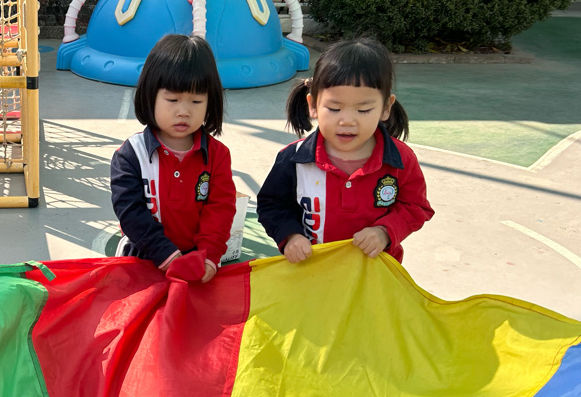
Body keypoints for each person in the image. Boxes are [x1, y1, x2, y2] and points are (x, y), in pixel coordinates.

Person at [257, 37, 434, 264]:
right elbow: (272, 205)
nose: (347, 121)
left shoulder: (400, 159)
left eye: (363, 110)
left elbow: (415, 206)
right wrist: (290, 236)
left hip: (375, 272)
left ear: (386, 108)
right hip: (312, 270)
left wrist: (385, 231)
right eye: (334, 108)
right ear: (313, 105)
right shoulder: (293, 159)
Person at [110, 34, 236, 283]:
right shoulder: (130, 155)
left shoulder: (218, 155)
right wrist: (168, 256)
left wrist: (209, 256)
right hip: (142, 257)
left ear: (210, 101)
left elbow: (220, 211)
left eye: (196, 101)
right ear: (150, 95)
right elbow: (131, 213)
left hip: (197, 261)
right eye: (172, 99)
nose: (184, 111)